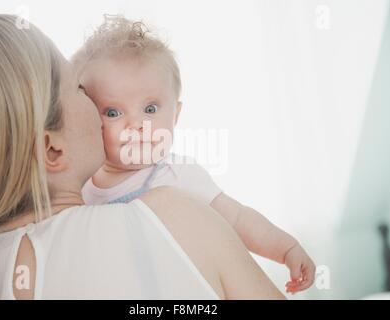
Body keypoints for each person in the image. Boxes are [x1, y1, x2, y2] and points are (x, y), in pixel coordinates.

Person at [0, 14, 284, 300]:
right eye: (80, 90)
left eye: (150, 108)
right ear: (53, 149)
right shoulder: (174, 217)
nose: (133, 124)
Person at [74, 15, 315, 293]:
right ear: (87, 118)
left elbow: (237, 219)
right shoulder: (82, 189)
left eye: (150, 109)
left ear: (175, 115)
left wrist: (286, 248)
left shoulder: (177, 175)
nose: (137, 125)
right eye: (113, 112)